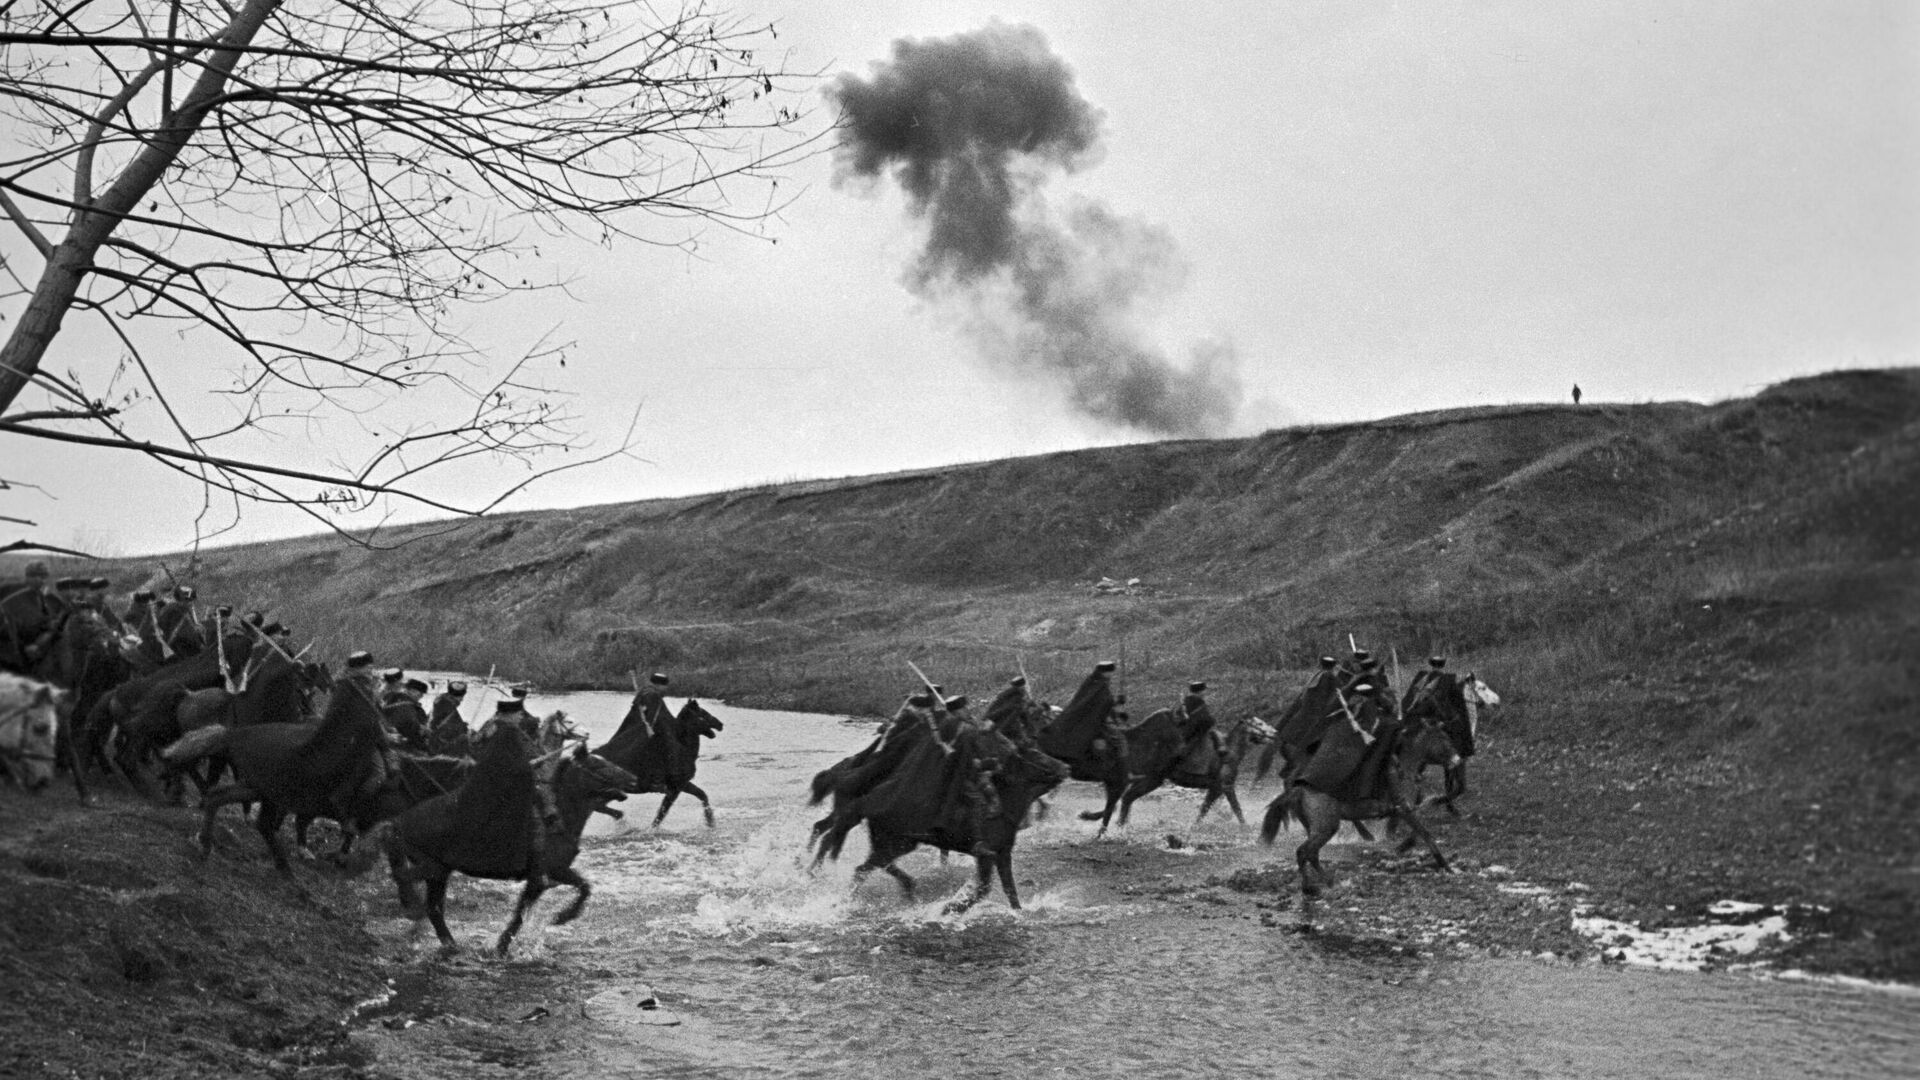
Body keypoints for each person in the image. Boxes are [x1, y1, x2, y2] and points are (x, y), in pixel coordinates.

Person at [384, 677, 433, 754]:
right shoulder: (405, 704)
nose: (421, 696)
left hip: (395, 744)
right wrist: (423, 730)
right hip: (407, 747)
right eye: (420, 693)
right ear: (411, 690)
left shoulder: (393, 700)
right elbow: (409, 724)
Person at [429, 681, 470, 756]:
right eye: (461, 697)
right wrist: (463, 728)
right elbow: (450, 729)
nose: (462, 700)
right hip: (442, 749)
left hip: (435, 743)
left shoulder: (441, 703)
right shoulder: (448, 708)